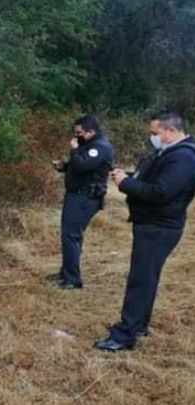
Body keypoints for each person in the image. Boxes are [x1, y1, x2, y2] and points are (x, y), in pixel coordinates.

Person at [95, 111, 195, 351]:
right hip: (152, 223)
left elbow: (161, 192)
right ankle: (138, 324)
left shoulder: (183, 158)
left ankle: (123, 335)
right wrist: (127, 177)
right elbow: (151, 180)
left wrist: (126, 184)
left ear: (170, 131)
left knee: (140, 279)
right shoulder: (169, 152)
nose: (152, 137)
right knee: (147, 277)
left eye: (155, 133)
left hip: (159, 226)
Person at [49, 115, 114, 290]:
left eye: (79, 133)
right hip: (77, 195)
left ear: (91, 131)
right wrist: (64, 166)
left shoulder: (100, 147)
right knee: (69, 235)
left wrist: (74, 150)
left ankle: (72, 279)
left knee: (71, 235)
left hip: (85, 197)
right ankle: (66, 272)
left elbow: (83, 165)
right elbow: (78, 166)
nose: (76, 136)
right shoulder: (89, 145)